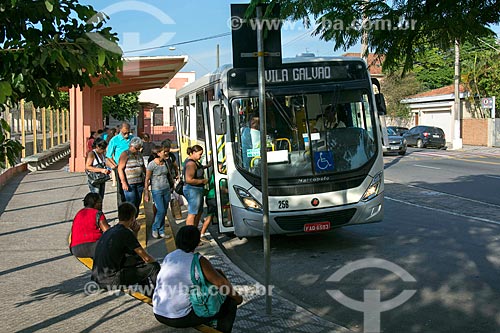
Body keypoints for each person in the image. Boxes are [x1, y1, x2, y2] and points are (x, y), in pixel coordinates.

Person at [153, 226, 242, 333]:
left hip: (158, 312)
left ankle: (209, 322)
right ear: (196, 241)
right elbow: (221, 283)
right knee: (230, 302)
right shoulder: (198, 260)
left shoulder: (170, 256)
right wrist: (238, 298)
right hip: (180, 317)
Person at [91, 202, 160, 297]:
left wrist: (135, 232)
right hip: (111, 280)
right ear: (132, 218)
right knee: (153, 267)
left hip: (97, 277)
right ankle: (159, 295)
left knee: (139, 263)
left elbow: (132, 250)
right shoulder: (125, 233)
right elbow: (146, 258)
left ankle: (149, 294)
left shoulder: (111, 230)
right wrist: (158, 264)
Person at [69, 193, 110, 258]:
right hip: (93, 245)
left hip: (75, 248)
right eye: (100, 202)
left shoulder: (79, 213)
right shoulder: (97, 214)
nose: (101, 205)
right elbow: (108, 232)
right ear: (95, 203)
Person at [144, 145, 172, 239]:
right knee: (161, 210)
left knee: (164, 211)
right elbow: (147, 179)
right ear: (158, 153)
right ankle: (155, 228)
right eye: (164, 152)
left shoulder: (166, 163)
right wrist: (146, 192)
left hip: (166, 188)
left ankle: (162, 230)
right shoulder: (152, 164)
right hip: (156, 190)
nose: (166, 153)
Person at [106, 122, 133, 206]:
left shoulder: (133, 139)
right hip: (120, 167)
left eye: (128, 133)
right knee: (121, 190)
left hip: (131, 167)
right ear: (120, 130)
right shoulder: (114, 140)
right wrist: (116, 165)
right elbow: (109, 155)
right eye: (125, 133)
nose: (126, 135)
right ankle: (121, 208)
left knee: (132, 188)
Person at [118, 137, 145, 217]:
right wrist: (123, 182)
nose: (138, 150)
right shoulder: (125, 154)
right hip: (130, 183)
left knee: (137, 202)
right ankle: (130, 220)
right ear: (132, 146)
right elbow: (120, 169)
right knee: (131, 202)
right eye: (136, 148)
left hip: (139, 182)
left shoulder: (139, 154)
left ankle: (134, 219)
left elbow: (143, 166)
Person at [183, 145, 208, 227]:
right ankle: (189, 233)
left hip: (197, 190)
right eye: (200, 154)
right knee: (193, 213)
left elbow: (199, 169)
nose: (200, 156)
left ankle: (194, 231)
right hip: (193, 190)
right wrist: (202, 181)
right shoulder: (191, 164)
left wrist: (208, 166)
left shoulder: (196, 162)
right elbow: (189, 179)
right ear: (193, 153)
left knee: (198, 212)